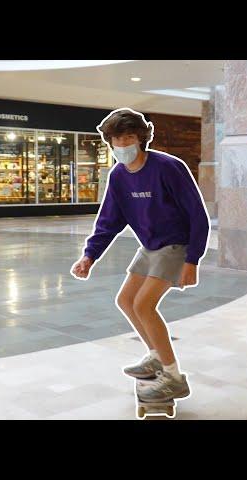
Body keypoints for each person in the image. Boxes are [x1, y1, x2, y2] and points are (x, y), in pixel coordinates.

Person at [70, 108, 210, 404]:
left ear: (141, 138)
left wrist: (192, 260)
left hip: (176, 244)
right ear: (109, 141)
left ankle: (173, 378)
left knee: (144, 305)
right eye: (117, 139)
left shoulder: (168, 167)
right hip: (150, 246)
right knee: (125, 300)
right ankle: (156, 357)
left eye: (129, 137)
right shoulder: (119, 176)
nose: (123, 145)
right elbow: (109, 220)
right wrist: (89, 256)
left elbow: (198, 216)